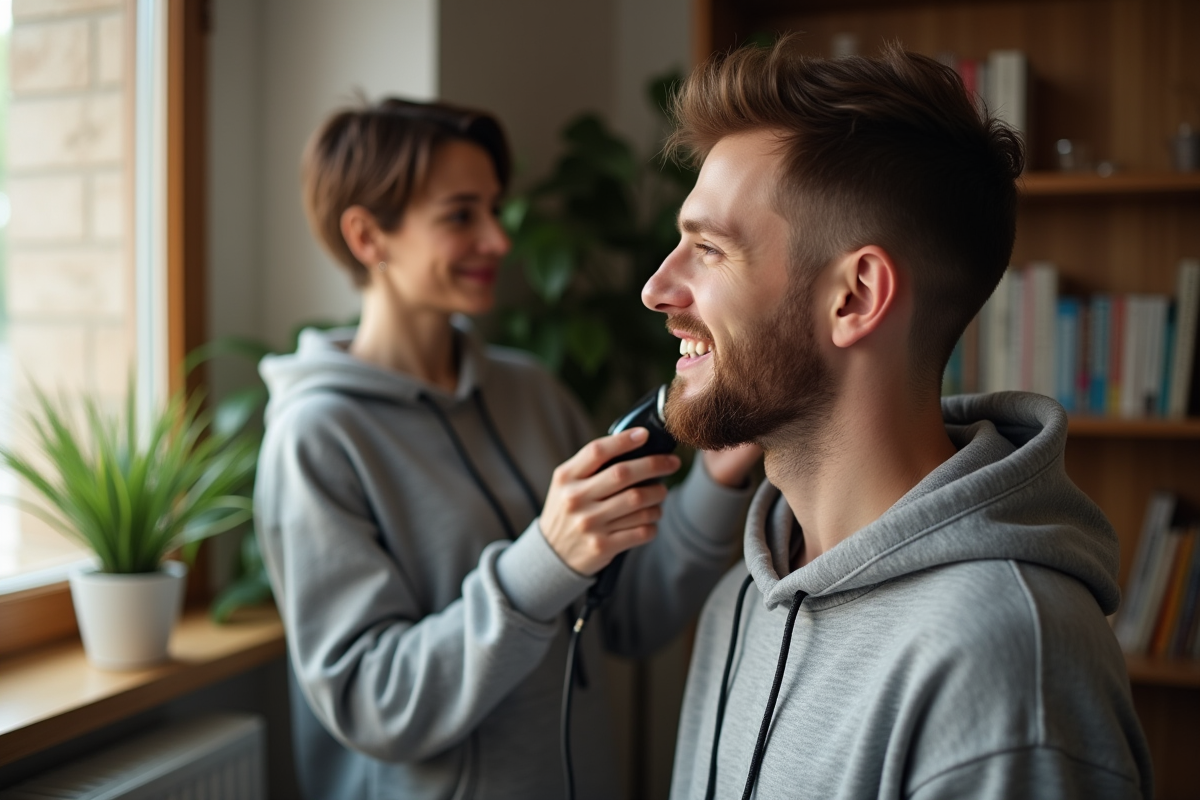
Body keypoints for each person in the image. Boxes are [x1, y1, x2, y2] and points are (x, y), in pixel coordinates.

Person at [643, 41, 1154, 799]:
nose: (658, 288)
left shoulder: (1009, 662)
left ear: (854, 297)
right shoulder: (740, 604)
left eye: (709, 249)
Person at [253, 98, 759, 799]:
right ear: (368, 236)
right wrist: (543, 563)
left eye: (494, 208)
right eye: (461, 215)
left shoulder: (532, 392)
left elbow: (629, 618)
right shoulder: (315, 439)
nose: (497, 238)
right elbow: (371, 702)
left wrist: (717, 482)